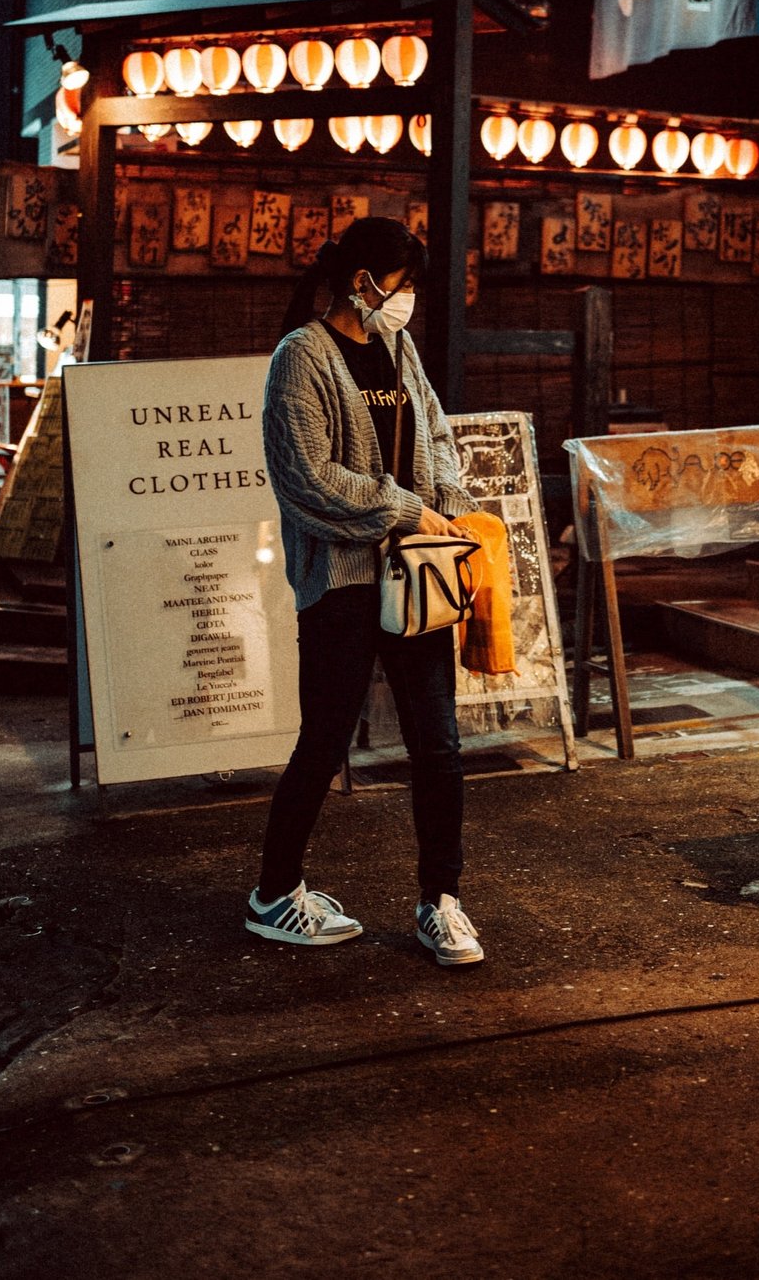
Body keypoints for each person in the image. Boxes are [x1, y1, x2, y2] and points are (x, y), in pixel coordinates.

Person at [247, 216, 484, 966]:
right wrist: (410, 509)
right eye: (403, 282)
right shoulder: (300, 359)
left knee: (438, 745)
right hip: (342, 583)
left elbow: (436, 435)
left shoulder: (398, 345)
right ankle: (274, 892)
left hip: (416, 574)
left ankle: (441, 900)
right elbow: (309, 482)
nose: (409, 297)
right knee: (324, 742)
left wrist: (444, 498)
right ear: (364, 282)